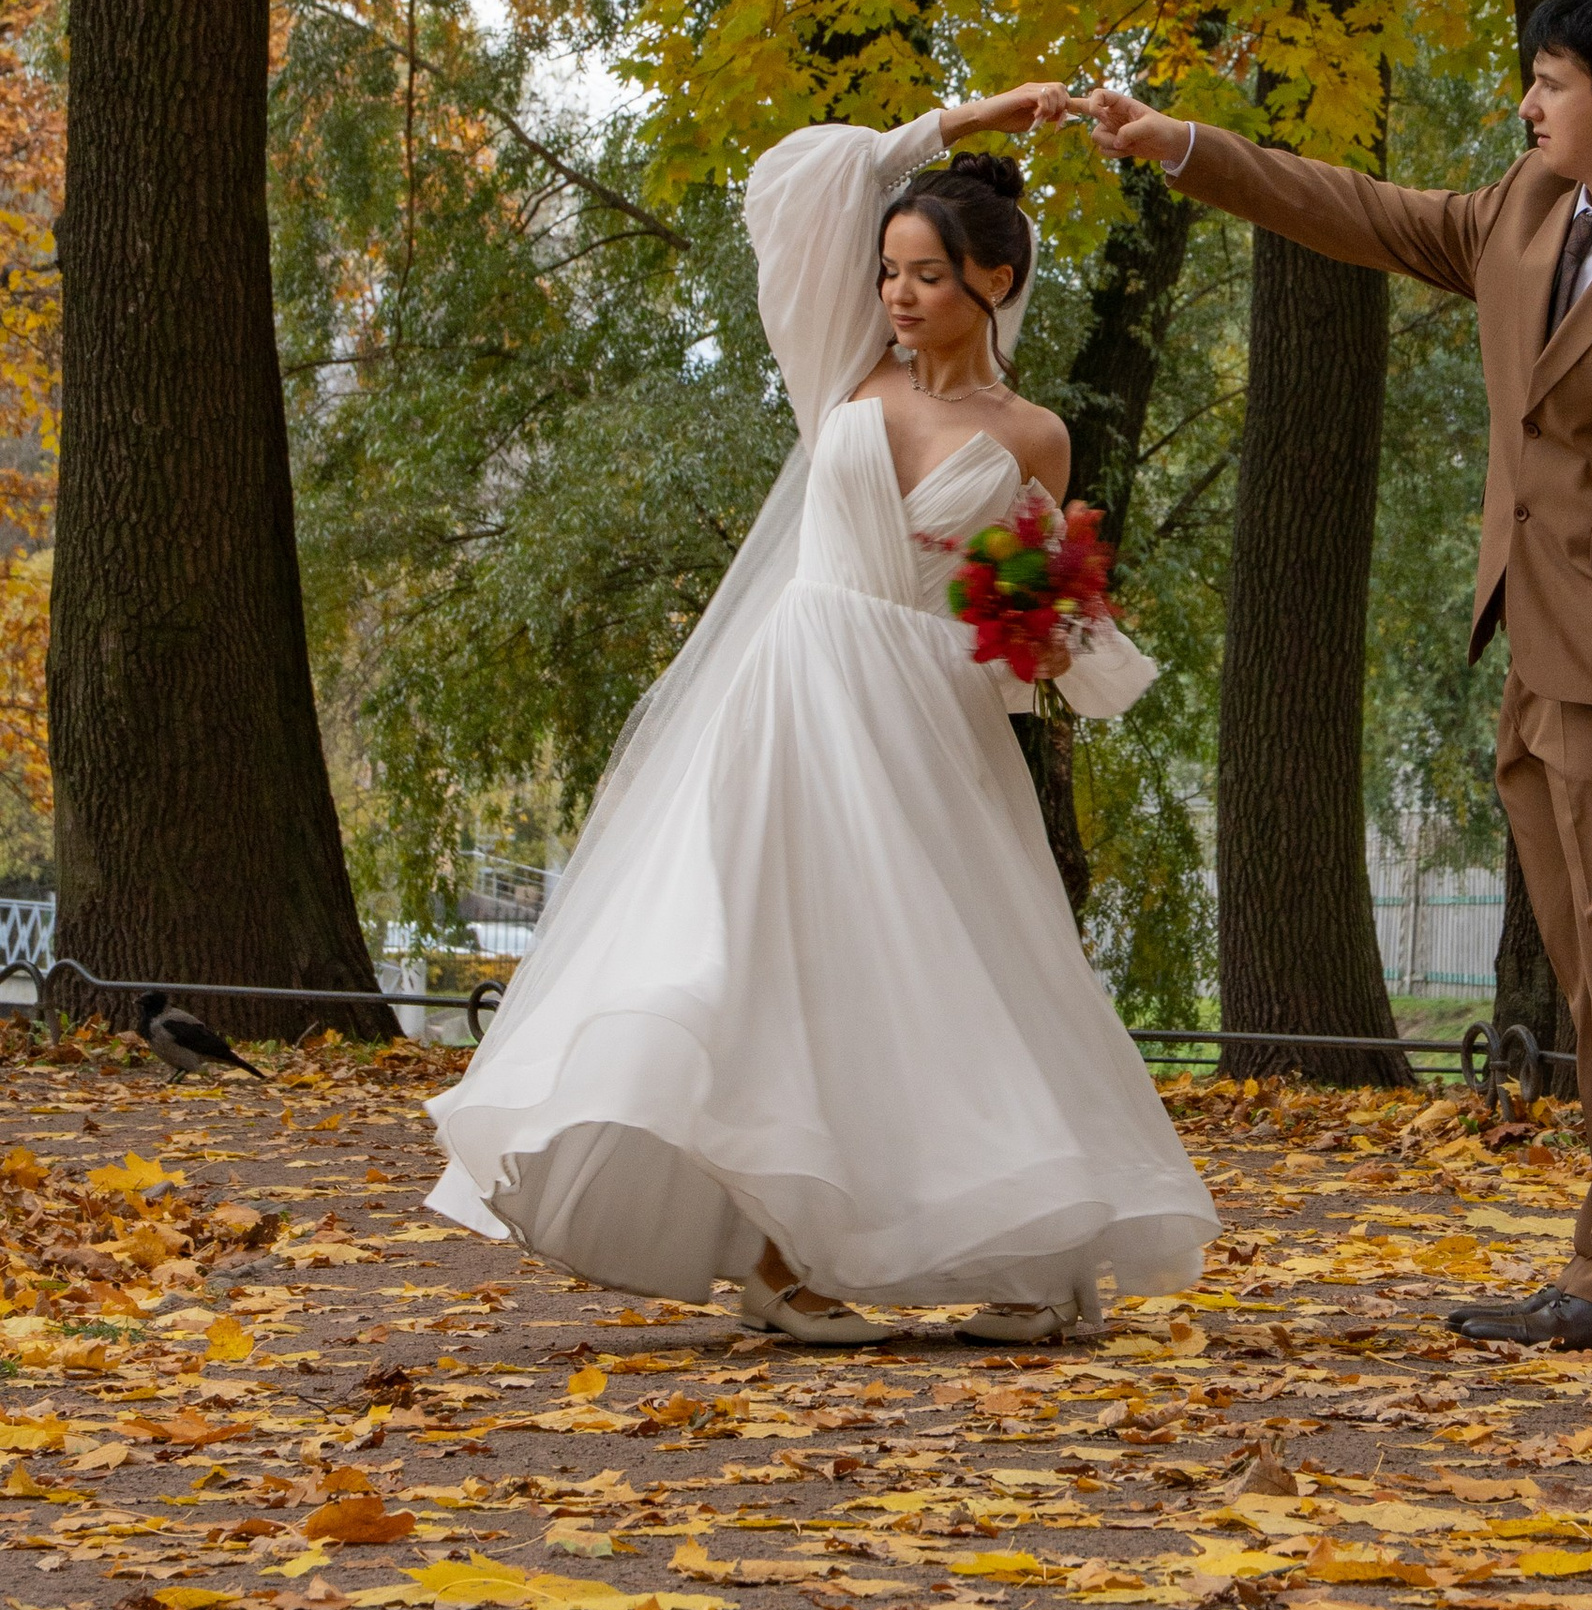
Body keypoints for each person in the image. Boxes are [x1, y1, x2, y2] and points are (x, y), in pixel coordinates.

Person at [426, 86, 1216, 1347]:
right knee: (776, 971)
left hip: (928, 722)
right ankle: (781, 1259)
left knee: (948, 981)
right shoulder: (841, 380)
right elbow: (795, 182)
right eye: (891, 271)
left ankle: (1026, 1243)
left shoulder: (1037, 438)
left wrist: (1068, 638)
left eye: (928, 276)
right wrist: (968, 120)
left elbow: (1016, 606)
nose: (898, 296)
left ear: (996, 279)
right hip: (797, 703)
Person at [1082, 0, 1592, 1357]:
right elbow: (1363, 212)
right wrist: (1183, 146)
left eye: (1545, 84)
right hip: (1540, 657)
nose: (1526, 109)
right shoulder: (1531, 215)